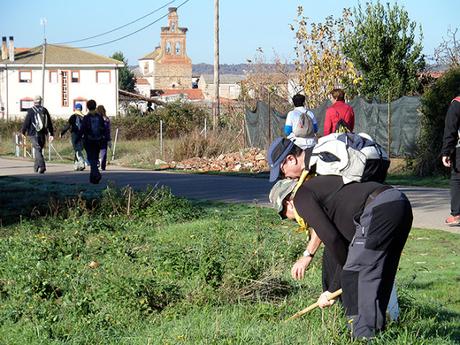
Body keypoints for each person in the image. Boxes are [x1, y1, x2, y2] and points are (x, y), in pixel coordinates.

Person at [269, 174, 412, 339]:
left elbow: (333, 241)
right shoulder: (320, 194)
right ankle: (378, 332)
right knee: (381, 272)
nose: (289, 218)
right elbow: (339, 246)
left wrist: (331, 290)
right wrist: (332, 288)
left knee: (355, 275)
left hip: (378, 209)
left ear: (288, 202)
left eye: (284, 213)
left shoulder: (301, 197)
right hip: (397, 202)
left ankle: (361, 338)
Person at [20, 95, 54, 173]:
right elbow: (49, 123)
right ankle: (36, 167)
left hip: (33, 133)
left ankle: (42, 166)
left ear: (34, 101)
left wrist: (23, 131)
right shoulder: (44, 110)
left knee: (37, 149)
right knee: (38, 149)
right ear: (41, 101)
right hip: (43, 133)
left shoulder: (31, 111)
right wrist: (51, 133)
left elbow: (26, 122)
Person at [441, 96, 460, 225]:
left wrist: (446, 152)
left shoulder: (457, 103)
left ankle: (457, 214)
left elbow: (451, 129)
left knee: (457, 179)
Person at [79, 99, 106, 184]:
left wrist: (78, 139)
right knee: (95, 157)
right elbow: (103, 129)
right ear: (95, 106)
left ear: (87, 107)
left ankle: (96, 174)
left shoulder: (86, 118)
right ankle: (93, 178)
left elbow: (82, 129)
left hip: (89, 140)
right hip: (98, 140)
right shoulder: (99, 117)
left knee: (91, 158)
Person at [60, 103, 86, 171]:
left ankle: (82, 162)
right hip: (83, 136)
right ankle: (76, 165)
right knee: (78, 149)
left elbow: (68, 125)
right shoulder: (84, 117)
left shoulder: (73, 117)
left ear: (75, 108)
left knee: (77, 149)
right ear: (81, 109)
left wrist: (62, 132)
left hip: (75, 135)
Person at [96, 105, 111, 171]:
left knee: (96, 151)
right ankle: (103, 165)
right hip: (104, 137)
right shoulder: (106, 119)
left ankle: (97, 163)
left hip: (96, 137)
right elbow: (108, 130)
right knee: (104, 151)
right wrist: (109, 139)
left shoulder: (95, 118)